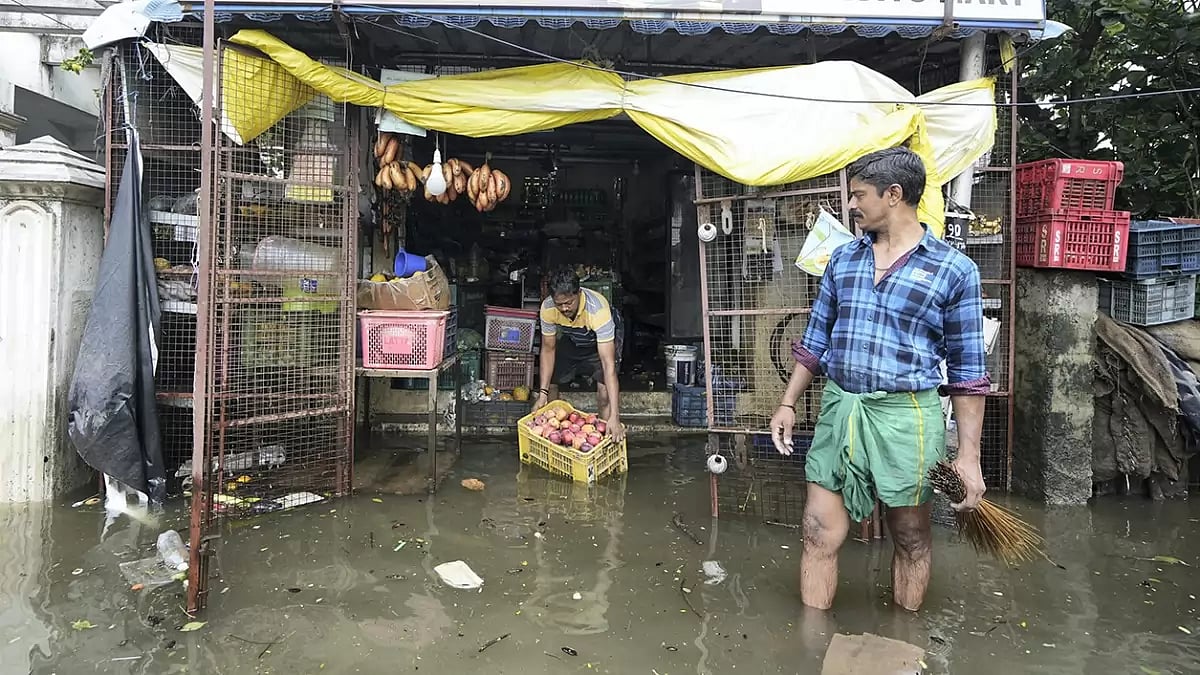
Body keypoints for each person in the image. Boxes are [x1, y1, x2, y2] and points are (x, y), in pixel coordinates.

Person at [770, 146, 989, 612]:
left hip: (907, 416)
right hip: (841, 407)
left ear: (893, 195)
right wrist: (788, 402)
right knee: (816, 530)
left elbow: (968, 373)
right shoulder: (843, 260)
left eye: (858, 195)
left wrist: (968, 458)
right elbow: (814, 341)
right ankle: (813, 645)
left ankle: (903, 642)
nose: (851, 205)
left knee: (910, 537)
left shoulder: (955, 271)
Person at [532, 267, 626, 443]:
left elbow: (608, 365)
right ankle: (553, 435)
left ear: (579, 294)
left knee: (604, 392)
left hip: (602, 339)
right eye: (559, 304)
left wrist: (616, 416)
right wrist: (542, 393)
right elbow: (548, 349)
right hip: (575, 336)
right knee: (552, 382)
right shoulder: (548, 308)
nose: (564, 308)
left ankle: (605, 434)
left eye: (569, 302)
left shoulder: (598, 311)